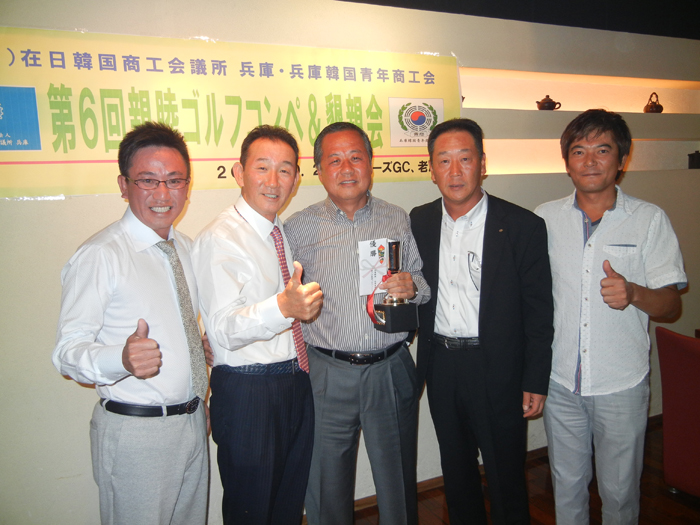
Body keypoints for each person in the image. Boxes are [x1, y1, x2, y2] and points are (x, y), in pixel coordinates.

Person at [52, 122, 209, 525]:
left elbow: (177, 325)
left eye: (174, 180)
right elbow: (67, 352)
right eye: (148, 180)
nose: (163, 193)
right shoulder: (100, 255)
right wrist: (120, 359)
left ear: (187, 185)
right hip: (135, 432)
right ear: (124, 185)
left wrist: (198, 355)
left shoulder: (185, 248)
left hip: (192, 421)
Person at [535, 109, 687, 524]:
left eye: (602, 150)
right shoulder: (544, 219)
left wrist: (634, 292)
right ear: (567, 162)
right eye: (578, 151)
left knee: (619, 496)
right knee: (566, 489)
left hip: (621, 383)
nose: (589, 161)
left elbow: (672, 306)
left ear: (622, 159)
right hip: (560, 381)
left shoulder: (648, 220)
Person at [284, 121, 429, 525]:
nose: (346, 168)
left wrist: (412, 286)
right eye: (334, 160)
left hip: (391, 367)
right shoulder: (297, 227)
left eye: (355, 157)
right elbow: (277, 295)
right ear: (318, 170)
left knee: (398, 486)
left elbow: (422, 283)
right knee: (326, 487)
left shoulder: (395, 218)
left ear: (370, 163)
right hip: (327, 373)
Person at [410, 118, 554, 525]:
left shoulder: (522, 226)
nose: (455, 171)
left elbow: (539, 311)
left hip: (499, 368)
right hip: (441, 365)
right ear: (432, 169)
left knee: (506, 475)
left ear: (483, 164)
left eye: (465, 159)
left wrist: (535, 379)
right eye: (444, 161)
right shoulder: (419, 221)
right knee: (456, 474)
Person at [191, 125, 322, 525]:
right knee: (252, 511)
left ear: (296, 179)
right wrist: (282, 307)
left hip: (294, 381)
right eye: (262, 167)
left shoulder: (276, 230)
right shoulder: (221, 237)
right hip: (249, 391)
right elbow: (223, 330)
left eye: (285, 170)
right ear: (239, 172)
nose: (273, 180)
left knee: (287, 506)